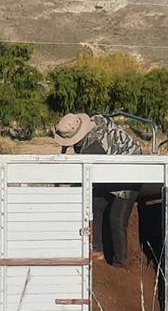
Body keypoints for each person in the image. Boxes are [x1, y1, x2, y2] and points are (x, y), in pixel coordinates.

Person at [54, 112, 141, 267]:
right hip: (111, 170)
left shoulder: (95, 145)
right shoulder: (92, 129)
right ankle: (97, 250)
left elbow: (85, 175)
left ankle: (119, 263)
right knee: (95, 203)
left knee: (117, 218)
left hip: (132, 171)